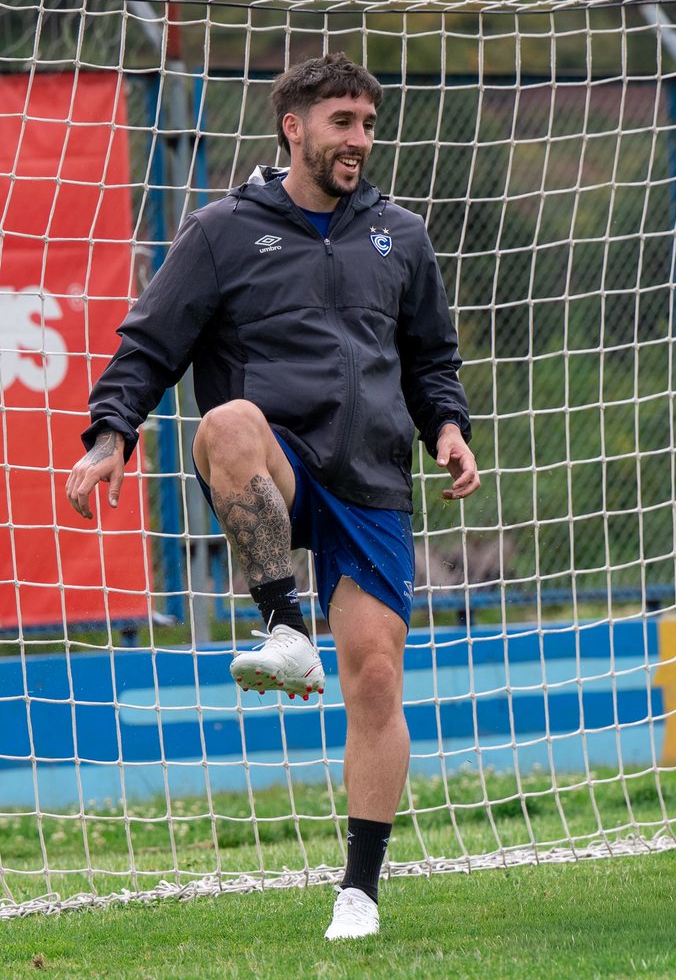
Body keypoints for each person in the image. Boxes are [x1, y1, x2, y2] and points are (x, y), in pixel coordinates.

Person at [65, 52, 480, 941]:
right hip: (278, 458)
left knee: (375, 674)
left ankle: (359, 893)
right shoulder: (221, 231)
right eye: (343, 123)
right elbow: (149, 345)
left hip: (370, 473)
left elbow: (429, 357)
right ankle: (285, 626)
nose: (359, 141)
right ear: (294, 127)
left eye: (368, 125)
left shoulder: (399, 235)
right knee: (225, 423)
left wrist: (447, 427)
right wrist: (109, 436)